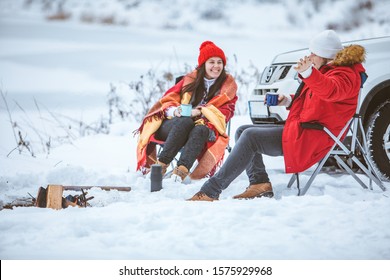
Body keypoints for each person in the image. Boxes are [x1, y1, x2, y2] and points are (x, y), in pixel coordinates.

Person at [188, 30, 366, 201]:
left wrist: (309, 73)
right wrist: (287, 100)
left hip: (315, 136)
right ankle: (259, 184)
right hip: (306, 129)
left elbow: (330, 91)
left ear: (325, 55)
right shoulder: (330, 72)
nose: (310, 57)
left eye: (313, 53)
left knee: (250, 137)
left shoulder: (345, 75)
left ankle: (211, 191)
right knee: (243, 130)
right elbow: (318, 99)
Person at [136, 41, 238, 182]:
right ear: (203, 64)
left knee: (200, 130)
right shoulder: (188, 81)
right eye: (212, 62)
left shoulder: (228, 87)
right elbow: (166, 102)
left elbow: (226, 112)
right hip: (174, 125)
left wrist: (201, 112)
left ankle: (179, 174)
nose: (216, 66)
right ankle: (160, 167)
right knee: (185, 121)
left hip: (205, 128)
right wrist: (175, 111)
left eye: (219, 62)